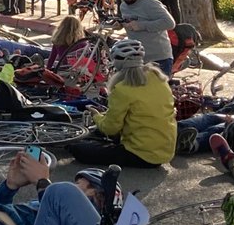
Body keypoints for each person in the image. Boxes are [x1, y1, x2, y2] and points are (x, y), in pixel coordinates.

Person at [69, 38, 176, 168]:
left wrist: (96, 116)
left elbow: (110, 128)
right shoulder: (159, 79)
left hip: (142, 155)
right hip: (165, 150)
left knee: (77, 148)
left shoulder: (122, 89)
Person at [118, 0, 175, 73]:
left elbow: (170, 23)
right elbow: (129, 22)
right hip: (137, 59)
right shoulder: (123, 6)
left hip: (159, 60)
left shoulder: (151, 5)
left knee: (156, 90)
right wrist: (119, 24)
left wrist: (141, 25)